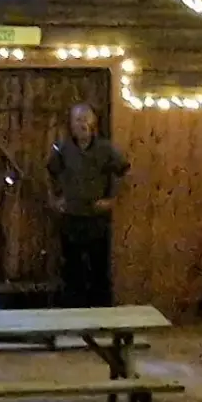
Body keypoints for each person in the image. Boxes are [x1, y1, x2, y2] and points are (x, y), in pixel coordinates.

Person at [47, 101, 128, 308]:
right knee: (72, 271)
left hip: (96, 219)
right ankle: (73, 316)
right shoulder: (63, 149)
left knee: (99, 271)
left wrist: (113, 200)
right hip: (71, 218)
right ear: (71, 124)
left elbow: (124, 172)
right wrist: (55, 199)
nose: (81, 124)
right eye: (77, 119)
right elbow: (49, 173)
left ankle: (102, 317)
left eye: (85, 119)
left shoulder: (105, 149)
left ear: (93, 122)